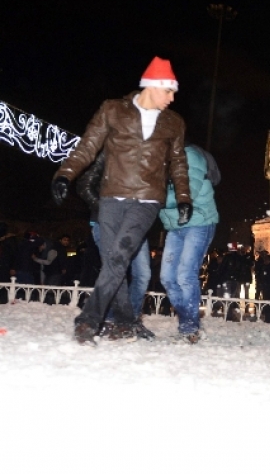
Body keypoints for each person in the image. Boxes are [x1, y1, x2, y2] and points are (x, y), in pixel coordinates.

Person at [51, 56, 192, 345]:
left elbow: (178, 163)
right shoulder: (112, 110)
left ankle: (88, 320)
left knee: (118, 258)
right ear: (152, 87)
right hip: (111, 198)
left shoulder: (174, 123)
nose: (172, 97)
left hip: (146, 200)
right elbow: (87, 146)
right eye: (169, 91)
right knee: (113, 264)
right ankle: (126, 321)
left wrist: (183, 197)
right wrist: (64, 175)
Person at [76, 151, 153, 326]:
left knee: (143, 274)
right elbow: (84, 185)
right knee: (115, 272)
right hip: (105, 223)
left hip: (135, 226)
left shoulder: (146, 159)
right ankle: (113, 319)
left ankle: (130, 319)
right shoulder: (111, 154)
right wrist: (106, 211)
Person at [158, 144, 219, 343]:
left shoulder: (190, 156)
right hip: (175, 225)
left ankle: (189, 328)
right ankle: (188, 321)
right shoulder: (160, 162)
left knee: (185, 274)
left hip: (199, 221)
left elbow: (188, 188)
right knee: (167, 277)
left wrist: (153, 201)